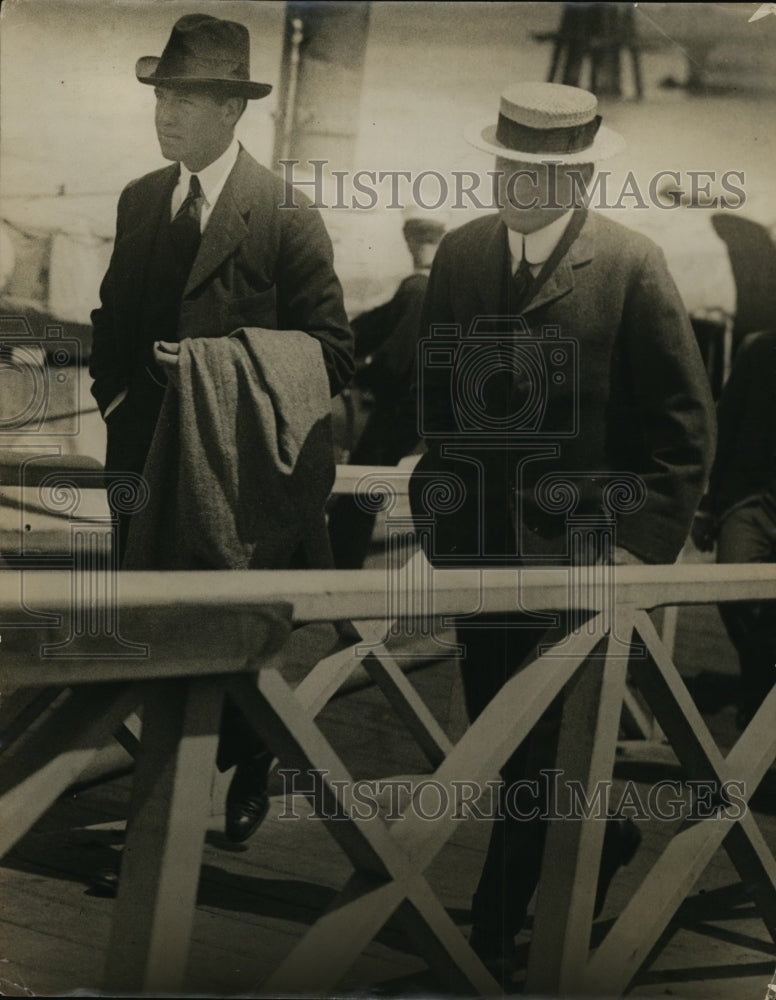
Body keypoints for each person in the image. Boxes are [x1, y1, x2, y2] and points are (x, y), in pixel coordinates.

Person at [408, 82, 716, 975]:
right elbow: (436, 397)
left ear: (580, 181)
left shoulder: (632, 264)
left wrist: (634, 545)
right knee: (500, 733)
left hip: (584, 554)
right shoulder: (462, 256)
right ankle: (608, 830)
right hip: (477, 550)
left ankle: (491, 920)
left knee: (536, 736)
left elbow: (684, 426)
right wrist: (440, 505)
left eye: (541, 172)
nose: (519, 182)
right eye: (508, 165)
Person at [89, 13, 354, 846]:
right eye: (163, 95)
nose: (167, 114)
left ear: (233, 111)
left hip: (233, 477)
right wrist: (115, 402)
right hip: (139, 461)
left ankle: (243, 767)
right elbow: (109, 320)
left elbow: (335, 352)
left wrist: (214, 364)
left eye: (189, 99)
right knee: (152, 637)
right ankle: (157, 829)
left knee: (226, 644)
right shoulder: (140, 199)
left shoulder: (284, 214)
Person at [328, 208, 445, 568]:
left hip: (406, 405)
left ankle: (339, 568)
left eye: (427, 239)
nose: (419, 246)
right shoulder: (423, 286)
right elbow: (372, 326)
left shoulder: (420, 288)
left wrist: (357, 372)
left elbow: (395, 358)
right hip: (419, 403)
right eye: (416, 238)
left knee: (362, 483)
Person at [693, 329, 776, 728]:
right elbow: (723, 428)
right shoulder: (758, 350)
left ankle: (761, 702)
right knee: (733, 587)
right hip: (752, 499)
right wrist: (707, 508)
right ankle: (762, 684)